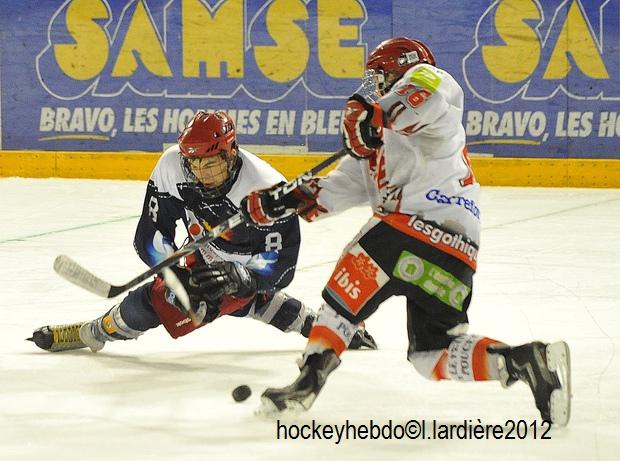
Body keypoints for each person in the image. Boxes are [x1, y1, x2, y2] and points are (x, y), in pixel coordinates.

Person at [242, 37, 571, 425]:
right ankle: (522, 361)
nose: (377, 85)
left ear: (401, 68)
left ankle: (307, 383)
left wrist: (371, 114)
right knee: (431, 354)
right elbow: (338, 189)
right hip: (457, 251)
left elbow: (420, 97)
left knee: (348, 286)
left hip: (415, 225)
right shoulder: (381, 141)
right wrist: (285, 200)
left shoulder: (431, 81)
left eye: (381, 75)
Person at [29, 111, 376, 354]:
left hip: (244, 264)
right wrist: (173, 273)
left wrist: (244, 278)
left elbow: (281, 268)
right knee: (173, 297)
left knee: (176, 303)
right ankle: (320, 325)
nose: (201, 173)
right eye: (194, 164)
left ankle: (92, 332)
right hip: (201, 250)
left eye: (210, 163)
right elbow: (149, 235)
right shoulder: (172, 166)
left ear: (231, 153)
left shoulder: (266, 189)